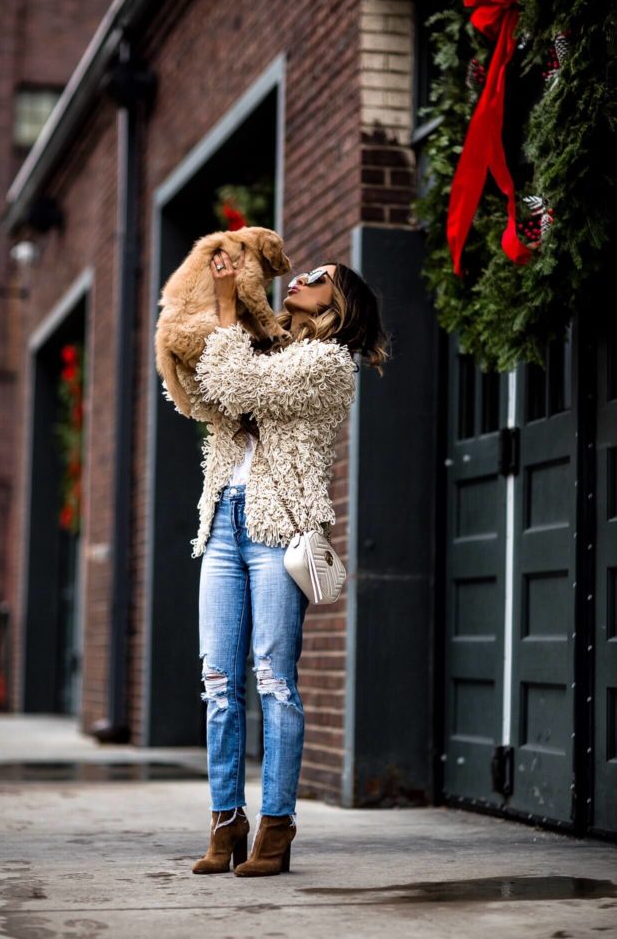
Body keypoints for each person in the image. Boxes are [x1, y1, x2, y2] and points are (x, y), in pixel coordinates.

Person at [163, 245, 389, 877]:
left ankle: (277, 826)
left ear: (338, 303)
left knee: (273, 682)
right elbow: (207, 396)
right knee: (218, 685)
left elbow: (230, 382)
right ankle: (225, 820)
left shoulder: (327, 364)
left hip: (274, 532)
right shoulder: (270, 350)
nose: (301, 277)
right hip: (223, 525)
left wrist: (231, 303)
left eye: (318, 278)